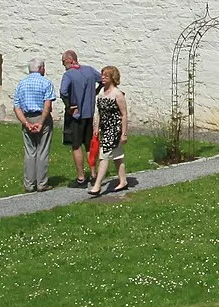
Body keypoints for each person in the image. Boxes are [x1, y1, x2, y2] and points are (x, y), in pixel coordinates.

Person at [12, 58, 58, 192]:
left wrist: (26, 123)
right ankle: (42, 183)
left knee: (30, 152)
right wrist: (41, 122)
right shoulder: (46, 82)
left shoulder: (22, 83)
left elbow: (17, 106)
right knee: (42, 151)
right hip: (41, 116)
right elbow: (47, 105)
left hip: (27, 117)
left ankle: (29, 184)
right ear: (41, 68)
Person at [57, 50, 101, 188]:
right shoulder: (89, 71)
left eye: (63, 61)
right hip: (89, 114)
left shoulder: (69, 75)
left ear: (69, 60)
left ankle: (81, 178)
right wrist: (96, 91)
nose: (63, 64)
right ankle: (94, 174)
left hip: (76, 116)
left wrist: (69, 106)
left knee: (76, 146)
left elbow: (63, 92)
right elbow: (102, 79)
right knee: (89, 145)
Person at [90, 65, 130, 197]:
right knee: (117, 156)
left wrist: (124, 133)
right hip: (105, 128)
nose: (103, 78)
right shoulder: (101, 91)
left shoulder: (117, 94)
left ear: (112, 78)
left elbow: (124, 114)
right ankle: (123, 181)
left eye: (106, 76)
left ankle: (97, 185)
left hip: (115, 129)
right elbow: (100, 112)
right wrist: (96, 126)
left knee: (104, 155)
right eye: (102, 75)